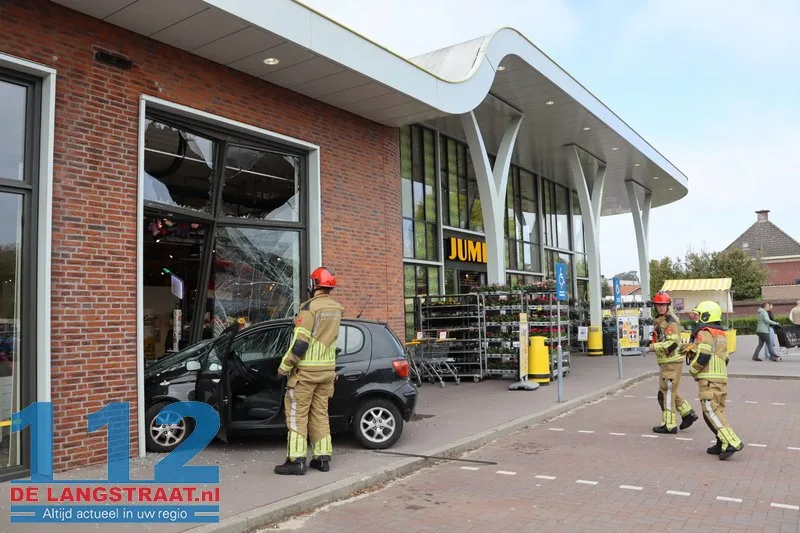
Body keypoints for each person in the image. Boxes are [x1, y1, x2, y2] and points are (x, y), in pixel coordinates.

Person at [274, 267, 344, 476]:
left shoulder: (309, 308)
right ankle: (323, 459)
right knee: (320, 415)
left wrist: (283, 368)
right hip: (327, 372)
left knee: (297, 416)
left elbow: (300, 344)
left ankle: (296, 461)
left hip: (305, 374)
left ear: (314, 284)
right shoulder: (337, 309)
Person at [682, 301, 743, 460]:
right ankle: (721, 443)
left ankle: (732, 441)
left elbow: (704, 356)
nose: (696, 319)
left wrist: (693, 370)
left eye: (698, 315)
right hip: (721, 379)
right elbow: (725, 358)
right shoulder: (721, 334)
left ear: (706, 316)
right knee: (718, 412)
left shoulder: (705, 332)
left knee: (710, 411)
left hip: (708, 379)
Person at [649, 291, 698, 434]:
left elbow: (672, 344)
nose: (661, 307)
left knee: (666, 394)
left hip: (672, 362)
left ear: (668, 305)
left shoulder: (671, 321)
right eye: (658, 305)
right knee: (668, 391)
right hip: (666, 362)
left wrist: (651, 347)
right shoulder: (661, 320)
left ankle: (669, 425)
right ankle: (688, 413)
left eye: (663, 305)